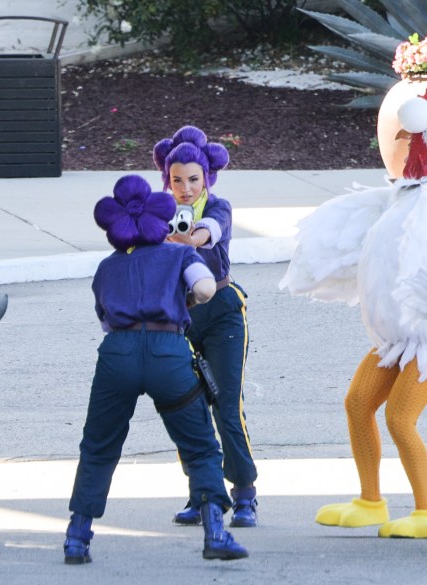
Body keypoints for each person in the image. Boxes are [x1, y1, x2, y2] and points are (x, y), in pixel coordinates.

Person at [63, 174, 248, 564]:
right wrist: (183, 304)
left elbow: (104, 317)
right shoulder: (179, 254)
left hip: (118, 354)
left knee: (98, 445)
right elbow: (204, 289)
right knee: (199, 444)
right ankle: (215, 531)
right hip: (168, 352)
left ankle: (78, 536)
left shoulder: (106, 267)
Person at [281, 94, 427, 538]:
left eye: (413, 137)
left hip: (424, 343)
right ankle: (370, 502)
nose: (404, 144)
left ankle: (425, 510)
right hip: (395, 342)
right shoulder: (404, 195)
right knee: (358, 403)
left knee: (400, 419)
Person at [152, 126, 258, 528]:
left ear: (207, 178)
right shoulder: (159, 210)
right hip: (179, 316)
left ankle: (245, 494)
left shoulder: (220, 208)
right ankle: (203, 493)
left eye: (193, 179)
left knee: (226, 405)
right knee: (187, 409)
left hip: (223, 312)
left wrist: (171, 237)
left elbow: (203, 236)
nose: (184, 188)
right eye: (176, 180)